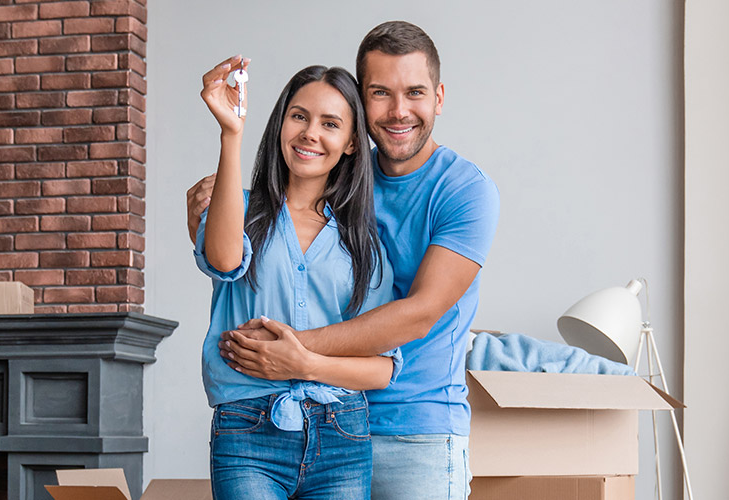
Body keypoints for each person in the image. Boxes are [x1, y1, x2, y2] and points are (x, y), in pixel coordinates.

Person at [188, 22, 500, 500]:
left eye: (414, 92)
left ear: (438, 96)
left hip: (416, 428)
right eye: (380, 93)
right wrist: (218, 207)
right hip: (317, 422)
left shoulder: (462, 191)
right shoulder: (330, 189)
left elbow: (418, 315)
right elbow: (230, 256)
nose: (399, 111)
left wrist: (295, 356)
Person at [193, 57, 401, 500]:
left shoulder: (364, 244)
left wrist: (304, 363)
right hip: (247, 429)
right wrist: (232, 133)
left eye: (330, 123)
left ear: (349, 143)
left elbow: (382, 367)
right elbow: (225, 259)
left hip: (342, 434)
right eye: (299, 116)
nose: (311, 133)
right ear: (281, 123)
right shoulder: (239, 210)